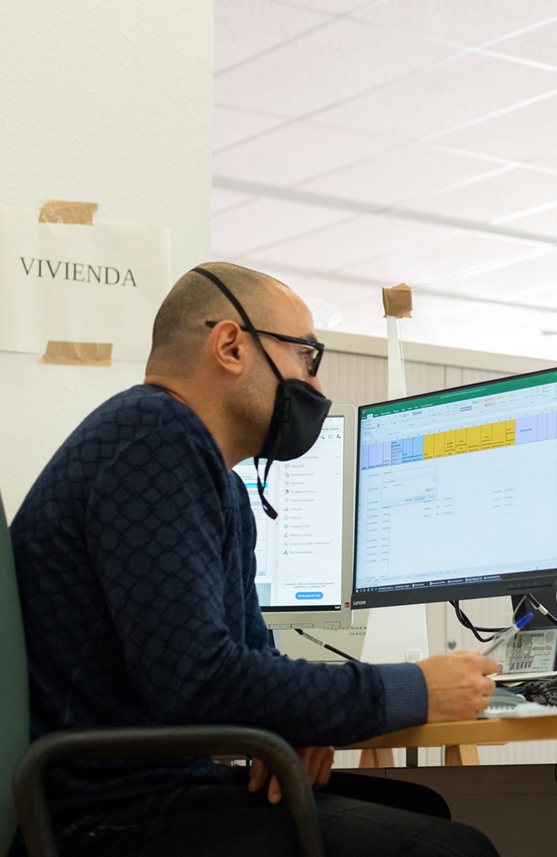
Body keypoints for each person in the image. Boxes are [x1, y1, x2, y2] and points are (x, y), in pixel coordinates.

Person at [10, 263, 501, 857]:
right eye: (305, 358)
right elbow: (197, 680)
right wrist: (410, 689)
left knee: (424, 810)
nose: (315, 389)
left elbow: (247, 662)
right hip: (107, 816)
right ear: (230, 345)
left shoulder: (207, 473)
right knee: (450, 849)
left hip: (152, 789)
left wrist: (304, 720)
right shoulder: (152, 439)